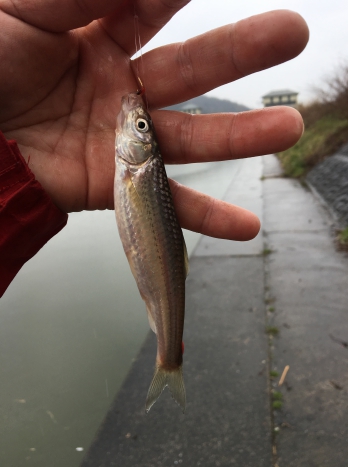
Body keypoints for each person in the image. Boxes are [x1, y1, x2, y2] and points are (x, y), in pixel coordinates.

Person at [0, 1, 309, 297]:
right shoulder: (133, 167)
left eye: (140, 127)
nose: (135, 123)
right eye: (142, 127)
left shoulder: (137, 169)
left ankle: (169, 348)